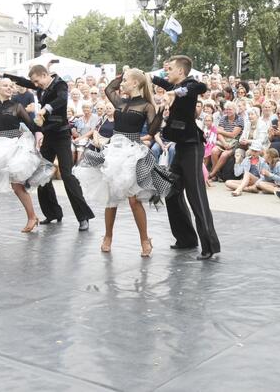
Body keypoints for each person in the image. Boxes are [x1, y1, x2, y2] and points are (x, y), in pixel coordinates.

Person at [74, 70, 173, 257]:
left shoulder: (146, 105)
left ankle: (144, 239)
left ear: (135, 83)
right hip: (115, 148)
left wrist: (160, 112)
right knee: (111, 197)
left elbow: (152, 130)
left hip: (132, 151)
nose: (122, 84)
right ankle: (108, 237)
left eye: (126, 81)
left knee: (134, 199)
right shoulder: (120, 101)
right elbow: (110, 88)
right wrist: (122, 76)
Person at [0, 66, 94, 230]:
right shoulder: (40, 85)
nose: (36, 84)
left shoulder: (60, 84)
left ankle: (83, 217)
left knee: (68, 175)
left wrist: (44, 109)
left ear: (45, 75)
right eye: (34, 82)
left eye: (37, 80)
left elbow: (62, 100)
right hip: (48, 136)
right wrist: (1, 74)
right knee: (42, 174)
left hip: (62, 136)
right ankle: (53, 213)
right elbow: (23, 81)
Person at [152, 55, 221, 260]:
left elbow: (199, 88)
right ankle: (186, 238)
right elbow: (161, 82)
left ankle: (209, 246)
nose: (167, 72)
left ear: (181, 71)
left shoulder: (190, 86)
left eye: (170, 68)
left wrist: (174, 92)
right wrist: (143, 76)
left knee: (196, 197)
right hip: (181, 149)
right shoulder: (175, 85)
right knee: (171, 191)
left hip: (192, 148)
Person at [0, 71, 53, 232]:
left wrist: (40, 124)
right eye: (5, 85)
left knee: (17, 185)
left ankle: (32, 217)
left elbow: (32, 126)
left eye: (11, 86)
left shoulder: (17, 107)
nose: (9, 88)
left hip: (16, 146)